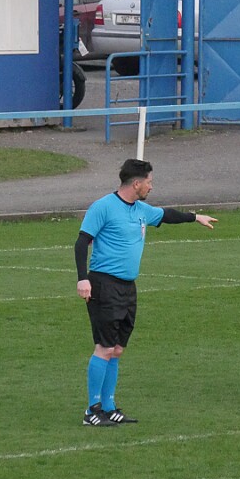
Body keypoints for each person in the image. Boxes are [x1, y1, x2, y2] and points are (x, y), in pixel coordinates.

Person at [75, 159, 217, 426]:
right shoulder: (103, 207)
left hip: (128, 288)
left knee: (117, 349)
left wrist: (195, 217)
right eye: (149, 182)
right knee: (104, 347)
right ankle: (92, 411)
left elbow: (166, 215)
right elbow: (81, 243)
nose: (151, 187)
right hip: (104, 284)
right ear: (136, 183)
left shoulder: (141, 210)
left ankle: (109, 407)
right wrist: (83, 279)